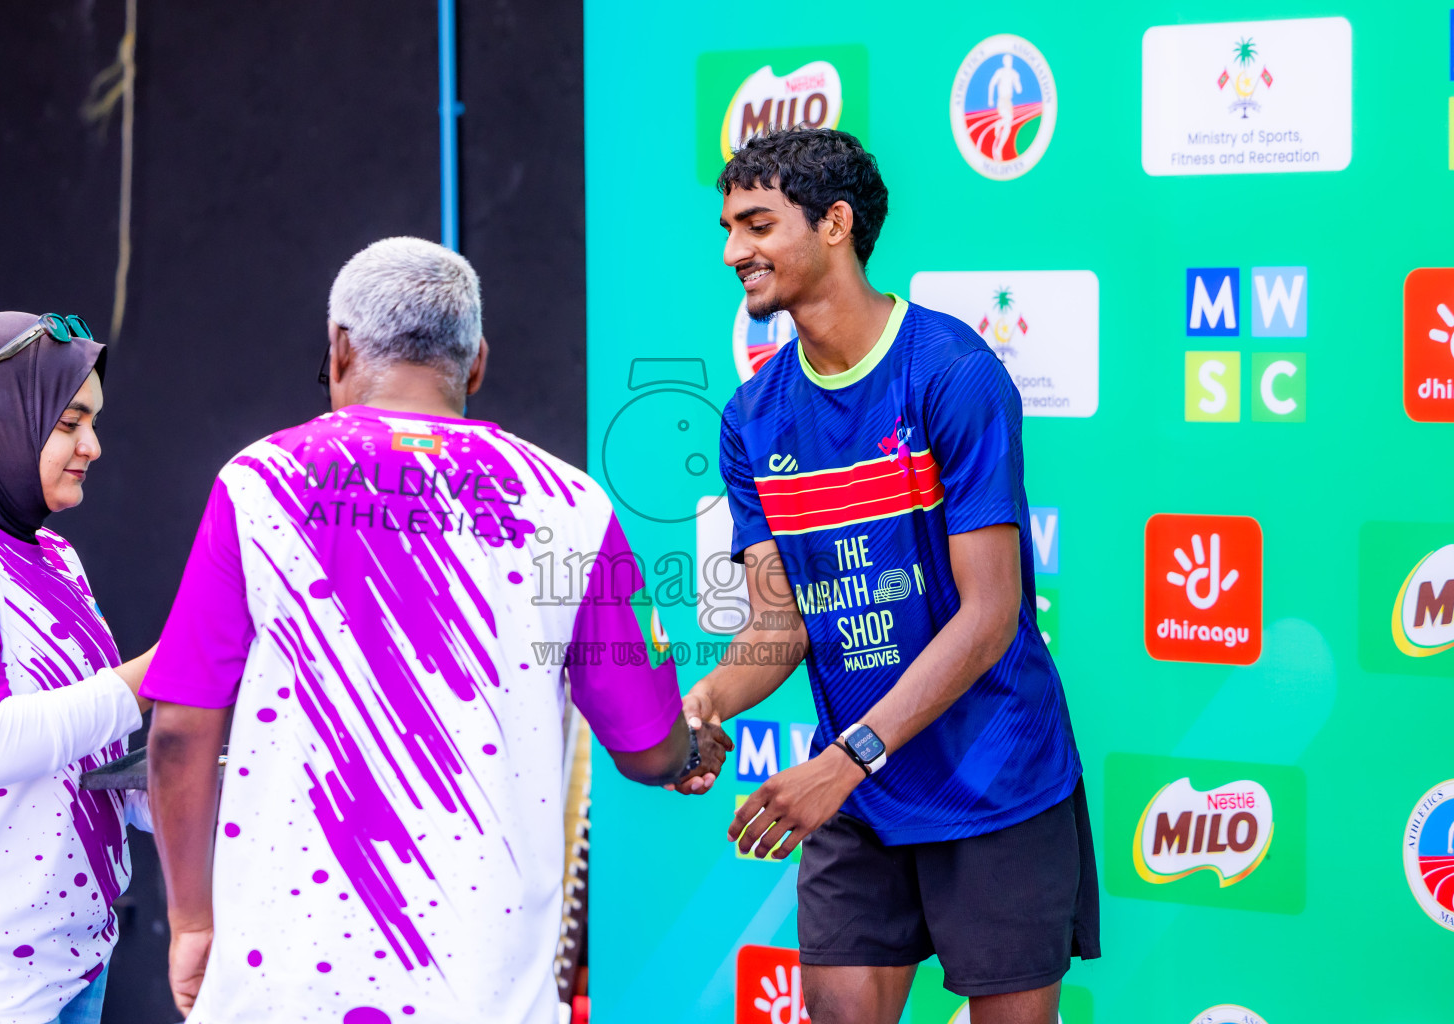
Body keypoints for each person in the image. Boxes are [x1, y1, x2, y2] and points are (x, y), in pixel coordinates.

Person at [142, 237, 728, 1023]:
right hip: (482, 991)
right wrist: (692, 749)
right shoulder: (571, 504)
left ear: (341, 349)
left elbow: (178, 735)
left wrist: (192, 922)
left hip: (282, 988)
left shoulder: (260, 483)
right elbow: (647, 746)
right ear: (477, 362)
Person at [676, 128, 1098, 1024]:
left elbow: (989, 618)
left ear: (834, 224)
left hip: (995, 778)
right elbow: (779, 628)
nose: (732, 252)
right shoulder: (752, 419)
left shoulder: (952, 373)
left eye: (756, 224)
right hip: (861, 794)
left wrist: (847, 757)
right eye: (727, 228)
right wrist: (704, 703)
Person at [0, 312, 156, 1024]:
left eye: (93, 421)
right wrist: (163, 670)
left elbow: (82, 750)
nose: (94, 445)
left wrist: (184, 781)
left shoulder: (52, 554)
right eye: (69, 422)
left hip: (71, 963)